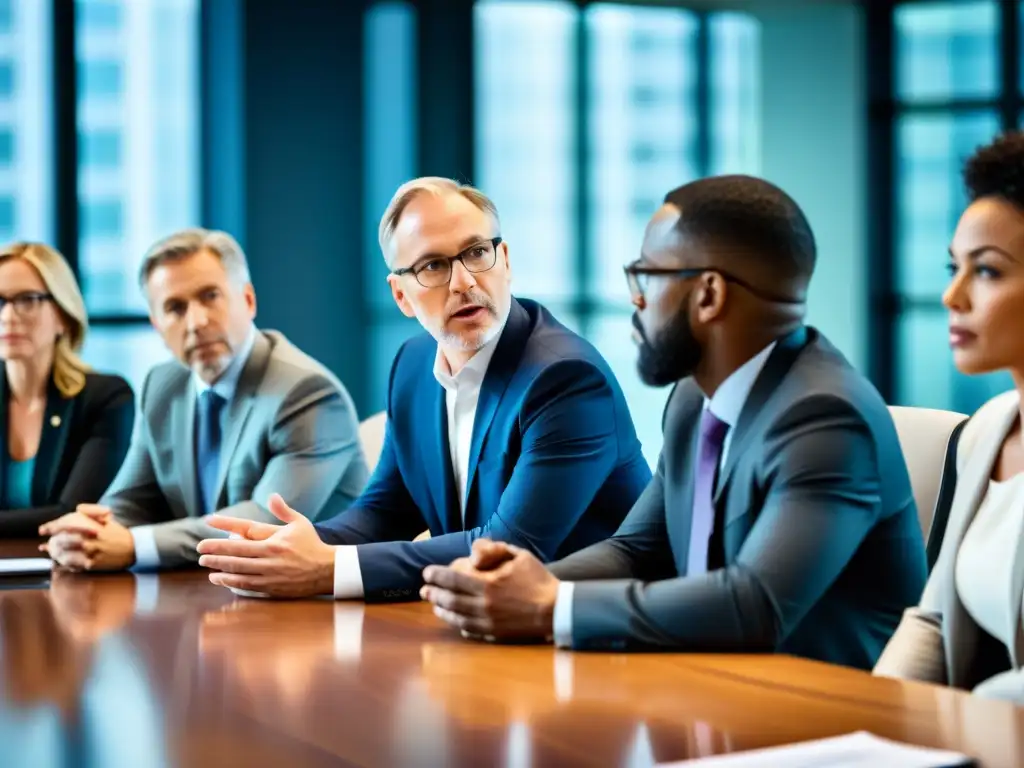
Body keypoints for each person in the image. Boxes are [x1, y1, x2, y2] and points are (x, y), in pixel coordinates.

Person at [421, 175, 928, 671]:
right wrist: (519, 585)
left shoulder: (826, 418)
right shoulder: (693, 398)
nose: (635, 299)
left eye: (647, 277)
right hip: (709, 696)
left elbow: (754, 605)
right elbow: (639, 550)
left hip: (822, 722)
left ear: (708, 295)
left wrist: (550, 607)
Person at [196, 177, 651, 601]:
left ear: (505, 260)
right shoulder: (413, 366)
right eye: (434, 265)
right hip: (483, 623)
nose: (464, 282)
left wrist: (327, 567)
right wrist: (297, 545)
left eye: (476, 253)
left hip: (598, 633)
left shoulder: (565, 377)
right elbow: (385, 511)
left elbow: (510, 546)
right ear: (400, 295)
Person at [40, 228, 368, 571]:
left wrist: (136, 545)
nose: (196, 322)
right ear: (157, 324)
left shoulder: (306, 392)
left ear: (249, 300)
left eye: (210, 296)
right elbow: (130, 500)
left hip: (317, 602)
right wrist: (91, 533)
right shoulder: (162, 384)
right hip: (211, 589)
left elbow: (261, 523)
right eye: (175, 308)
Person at [874, 131, 1024, 703]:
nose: (951, 295)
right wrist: (877, 722)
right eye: (953, 267)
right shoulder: (986, 429)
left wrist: (964, 725)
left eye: (986, 271)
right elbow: (933, 620)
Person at [0, 243, 133, 537]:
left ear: (62, 315)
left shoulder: (106, 397)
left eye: (27, 299)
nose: (8, 315)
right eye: (0, 302)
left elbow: (72, 512)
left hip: (69, 569)